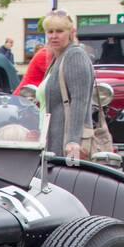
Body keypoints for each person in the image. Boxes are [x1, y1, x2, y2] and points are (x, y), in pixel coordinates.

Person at [38, 10, 93, 162]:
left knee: (66, 184)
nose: (54, 36)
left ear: (70, 32)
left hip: (66, 146)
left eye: (59, 31)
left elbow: (79, 101)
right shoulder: (58, 58)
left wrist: (73, 140)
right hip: (51, 140)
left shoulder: (74, 56)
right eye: (50, 31)